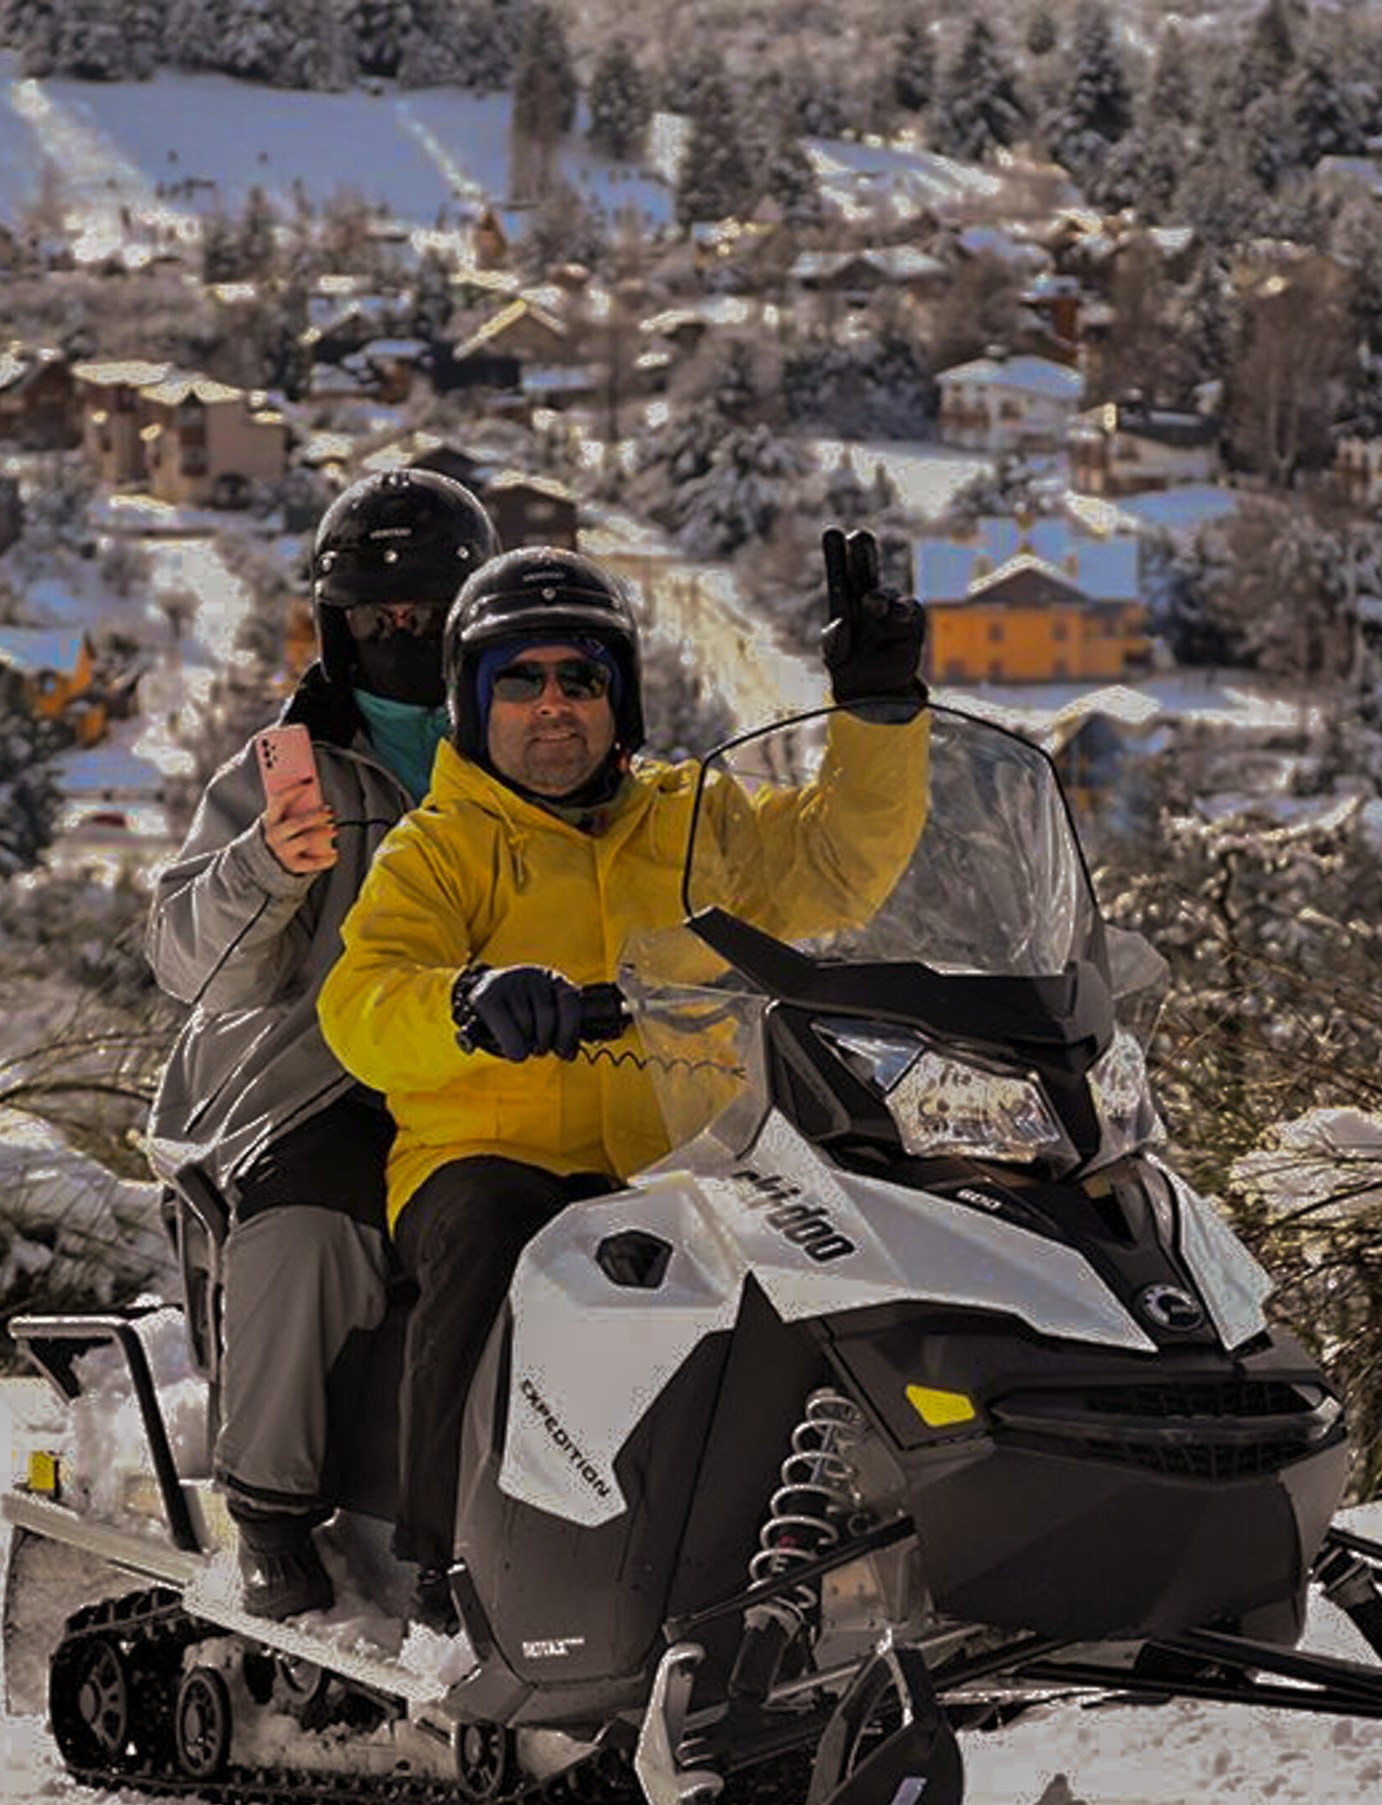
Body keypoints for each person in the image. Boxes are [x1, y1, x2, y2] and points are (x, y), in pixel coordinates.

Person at [317, 541, 930, 1631]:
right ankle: (441, 1567)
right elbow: (363, 1002)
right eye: (520, 680)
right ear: (472, 700)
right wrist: (469, 1004)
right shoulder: (439, 849)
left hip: (685, 1163)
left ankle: (816, 1552)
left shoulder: (699, 821)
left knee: (834, 1243)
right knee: (499, 1229)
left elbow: (840, 864)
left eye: (580, 679)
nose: (553, 706)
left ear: (620, 697)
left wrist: (877, 712)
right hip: (490, 1159)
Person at [145, 468, 499, 1620]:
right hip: (324, 1082)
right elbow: (191, 964)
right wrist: (266, 866)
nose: (400, 634)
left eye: (426, 614)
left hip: (512, 1077)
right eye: (372, 615)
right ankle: (271, 1508)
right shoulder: (282, 769)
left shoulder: (536, 744)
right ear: (335, 626)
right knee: (305, 1234)